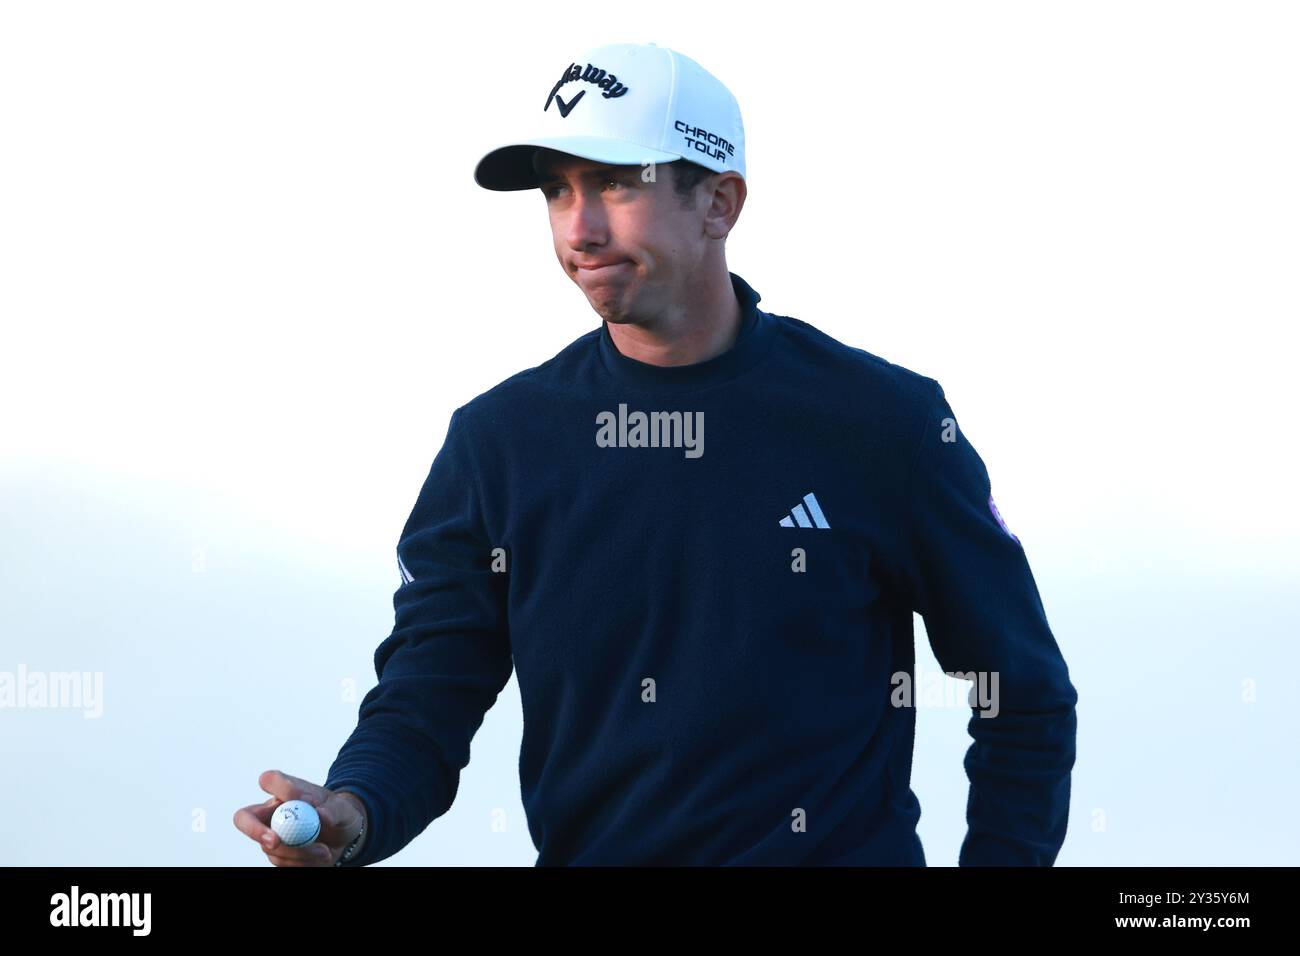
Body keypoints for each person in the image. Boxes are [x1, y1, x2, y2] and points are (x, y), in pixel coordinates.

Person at [235, 41, 1078, 867]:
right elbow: (427, 699)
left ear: (720, 203)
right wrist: (356, 809)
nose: (581, 228)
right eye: (558, 192)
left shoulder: (883, 423)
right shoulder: (498, 443)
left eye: (613, 185)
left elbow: (1022, 696)